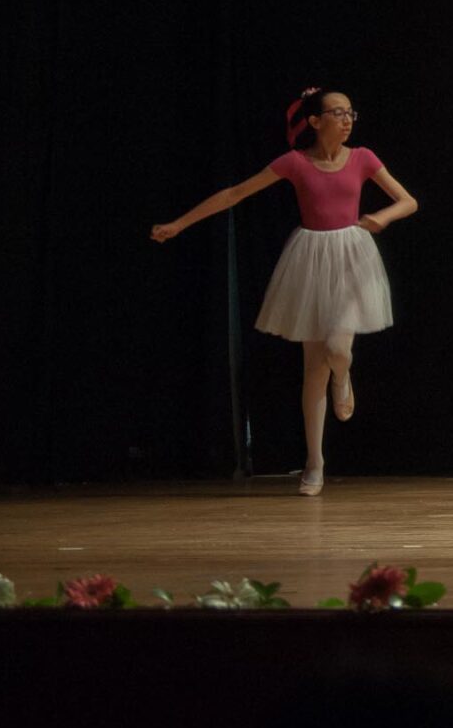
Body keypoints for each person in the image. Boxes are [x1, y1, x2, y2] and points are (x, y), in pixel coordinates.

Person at [151, 86, 417, 494]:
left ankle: (343, 375)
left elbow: (408, 201)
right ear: (315, 121)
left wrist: (383, 217)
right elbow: (235, 194)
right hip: (310, 259)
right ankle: (315, 462)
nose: (347, 120)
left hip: (351, 256)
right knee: (313, 369)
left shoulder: (363, 158)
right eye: (338, 112)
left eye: (350, 112)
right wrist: (179, 224)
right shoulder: (295, 163)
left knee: (338, 349)